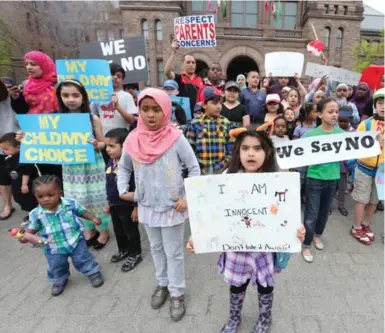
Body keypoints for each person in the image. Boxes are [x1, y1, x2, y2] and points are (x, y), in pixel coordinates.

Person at [187, 129, 305, 333]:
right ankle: (234, 319)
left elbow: (288, 213)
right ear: (237, 151)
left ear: (267, 152)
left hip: (265, 249)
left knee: (265, 286)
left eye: (257, 148)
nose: (251, 154)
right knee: (237, 286)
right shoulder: (226, 178)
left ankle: (265, 319)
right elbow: (209, 211)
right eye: (245, 148)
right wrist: (197, 236)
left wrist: (297, 229)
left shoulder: (279, 179)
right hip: (236, 248)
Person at [117, 88, 200, 321]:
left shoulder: (176, 137)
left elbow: (194, 168)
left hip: (173, 207)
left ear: (166, 111)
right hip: (146, 206)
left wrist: (187, 198)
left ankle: (177, 292)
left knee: (173, 252)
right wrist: (124, 190)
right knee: (155, 248)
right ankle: (162, 284)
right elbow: (123, 167)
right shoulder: (132, 139)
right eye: (145, 109)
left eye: (156, 109)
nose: (150, 115)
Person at [20, 175, 104, 296]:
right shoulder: (36, 214)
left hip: (75, 240)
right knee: (56, 266)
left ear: (60, 193)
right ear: (35, 197)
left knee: (83, 258)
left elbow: (82, 211)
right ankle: (59, 280)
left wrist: (92, 218)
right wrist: (24, 237)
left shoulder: (69, 204)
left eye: (50, 195)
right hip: (53, 247)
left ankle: (92, 272)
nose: (45, 199)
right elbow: (29, 231)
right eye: (40, 196)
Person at [57, 79, 111, 250]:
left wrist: (97, 144)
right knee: (77, 199)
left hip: (92, 166)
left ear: (83, 97)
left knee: (96, 199)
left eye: (75, 95)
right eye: (65, 95)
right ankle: (88, 229)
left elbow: (104, 143)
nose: (70, 99)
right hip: (71, 168)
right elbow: (44, 140)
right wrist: (25, 138)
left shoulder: (92, 118)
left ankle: (103, 230)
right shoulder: (56, 120)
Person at [301, 99, 344, 263]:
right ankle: (306, 244)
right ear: (320, 114)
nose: (334, 115)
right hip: (314, 179)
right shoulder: (311, 135)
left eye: (336, 111)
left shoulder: (341, 134)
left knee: (324, 212)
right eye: (330, 111)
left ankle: (317, 236)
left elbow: (356, 149)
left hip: (333, 178)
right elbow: (298, 154)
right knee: (311, 214)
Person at [105, 128, 142, 271]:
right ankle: (123, 249)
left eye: (112, 146)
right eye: (107, 145)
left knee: (130, 231)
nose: (108, 149)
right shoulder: (110, 162)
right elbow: (108, 184)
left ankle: (135, 253)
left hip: (128, 206)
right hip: (114, 204)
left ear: (125, 146)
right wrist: (108, 202)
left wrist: (136, 207)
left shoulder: (132, 165)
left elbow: (137, 186)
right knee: (118, 230)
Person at [351, 88, 384, 245]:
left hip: (382, 170)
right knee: (362, 199)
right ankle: (356, 226)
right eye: (380, 103)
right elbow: (357, 144)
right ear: (375, 105)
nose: (383, 107)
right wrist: (375, 143)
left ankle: (366, 224)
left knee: (374, 200)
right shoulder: (366, 124)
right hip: (364, 166)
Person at [186, 87, 233, 175]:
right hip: (200, 173)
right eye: (214, 103)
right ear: (204, 105)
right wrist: (199, 167)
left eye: (220, 103)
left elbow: (231, 151)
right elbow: (189, 150)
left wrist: (221, 167)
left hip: (221, 173)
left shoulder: (226, 123)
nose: (219, 106)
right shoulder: (195, 123)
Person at [0, 133, 39, 223]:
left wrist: (24, 184)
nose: (4, 152)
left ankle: (34, 216)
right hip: (16, 183)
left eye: (6, 149)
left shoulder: (24, 157)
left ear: (18, 147)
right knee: (19, 198)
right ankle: (32, 214)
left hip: (25, 184)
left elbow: (26, 171)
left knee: (29, 200)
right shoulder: (10, 157)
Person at [91, 63, 136, 135]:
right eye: (111, 74)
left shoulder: (127, 96)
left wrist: (118, 107)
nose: (115, 77)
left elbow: (131, 120)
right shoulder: (98, 95)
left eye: (119, 76)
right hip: (103, 138)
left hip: (121, 139)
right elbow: (91, 116)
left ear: (122, 80)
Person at [165, 40, 203, 118]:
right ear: (182, 64)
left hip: (198, 116)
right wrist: (173, 53)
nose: (191, 65)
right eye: (188, 62)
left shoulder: (201, 80)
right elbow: (167, 72)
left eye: (193, 62)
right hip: (183, 116)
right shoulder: (179, 78)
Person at [0, 79, 18, 220]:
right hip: (1, 144)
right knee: (2, 175)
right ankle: (7, 205)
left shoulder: (13, 98)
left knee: (22, 173)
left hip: (16, 141)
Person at [336, 107, 355, 217]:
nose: (342, 123)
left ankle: (341, 205)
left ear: (350, 120)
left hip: (346, 165)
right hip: (333, 164)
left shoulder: (354, 133)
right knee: (332, 186)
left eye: (345, 121)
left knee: (342, 187)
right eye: (340, 121)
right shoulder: (334, 131)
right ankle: (328, 206)